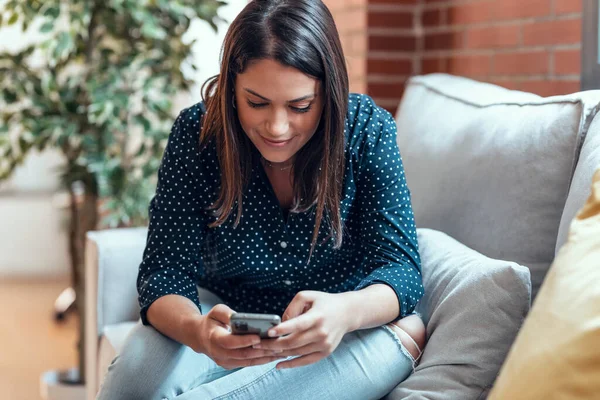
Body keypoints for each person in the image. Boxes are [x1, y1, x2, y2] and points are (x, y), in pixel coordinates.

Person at [97, 0, 426, 399]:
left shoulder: (367, 131)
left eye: (301, 106)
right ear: (230, 87)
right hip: (221, 310)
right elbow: (164, 273)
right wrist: (199, 332)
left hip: (337, 324)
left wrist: (346, 313)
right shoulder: (196, 134)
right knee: (130, 388)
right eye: (256, 103)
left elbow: (401, 268)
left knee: (405, 330)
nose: (277, 127)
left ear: (330, 93)